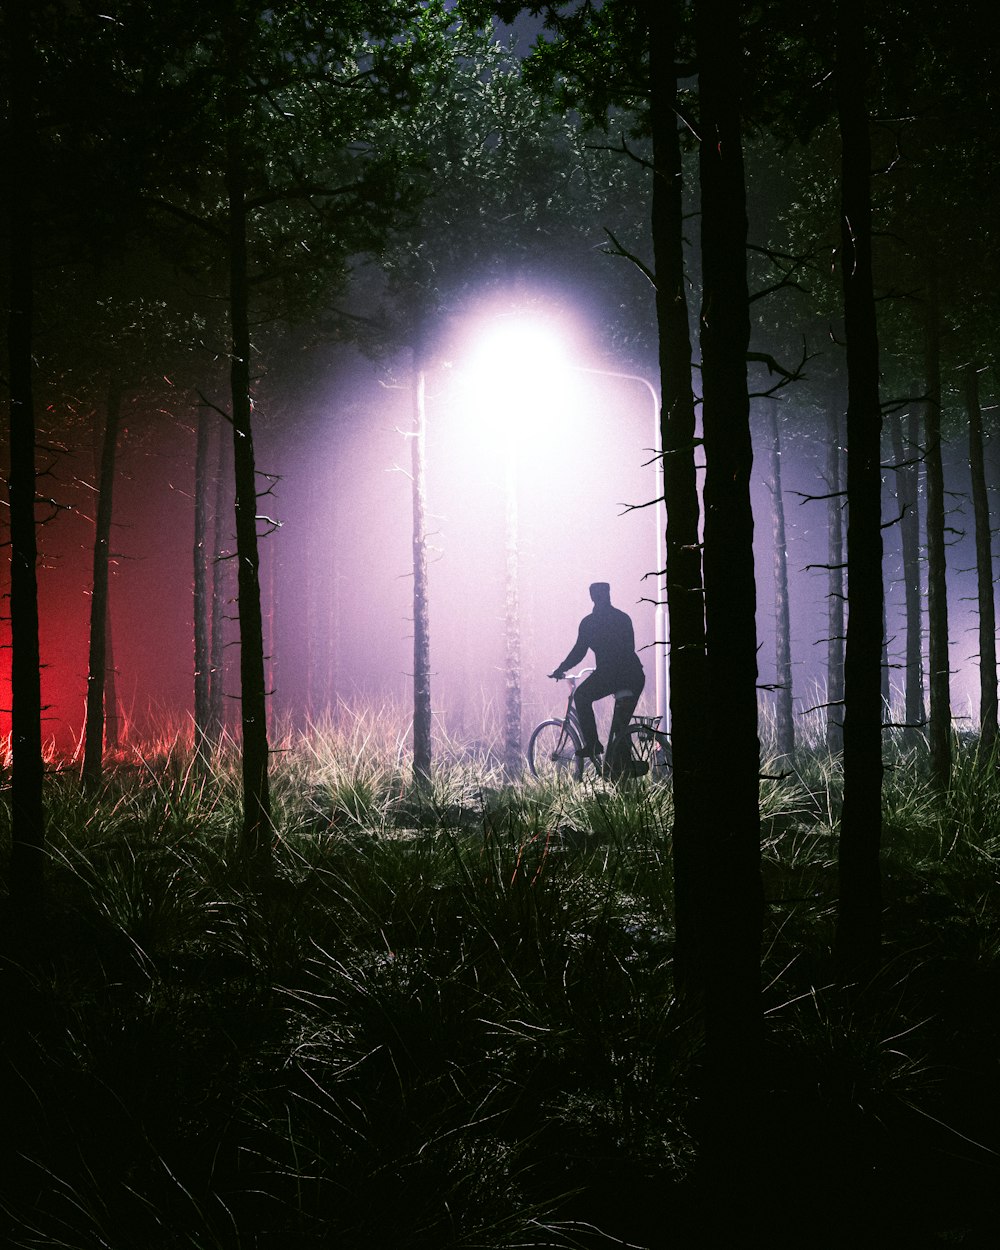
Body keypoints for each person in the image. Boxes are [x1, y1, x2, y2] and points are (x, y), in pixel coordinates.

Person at [549, 582, 646, 777]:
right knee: (620, 726)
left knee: (582, 696)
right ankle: (621, 767)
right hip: (634, 675)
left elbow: (578, 652)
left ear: (592, 597)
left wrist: (561, 668)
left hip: (612, 674)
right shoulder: (623, 618)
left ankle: (593, 745)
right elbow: (629, 648)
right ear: (608, 594)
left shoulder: (589, 623)